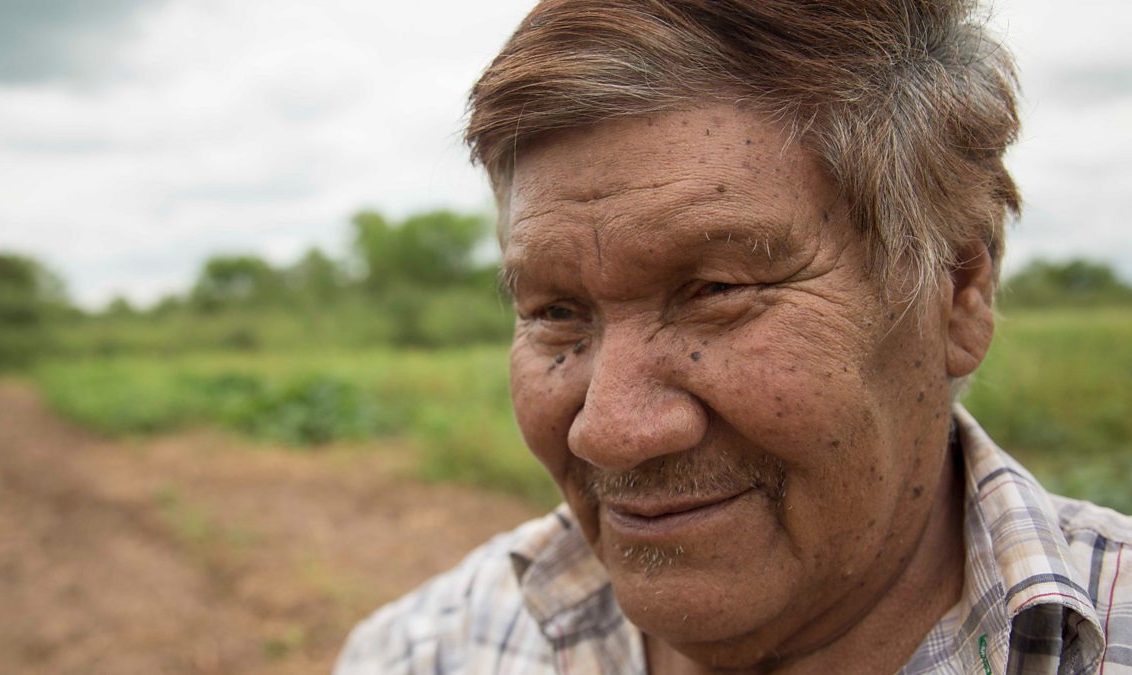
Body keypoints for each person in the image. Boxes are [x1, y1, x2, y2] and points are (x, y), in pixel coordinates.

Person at [336, 1, 1132, 672]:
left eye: (717, 291)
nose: (609, 431)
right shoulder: (423, 653)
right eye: (555, 313)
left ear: (958, 295)